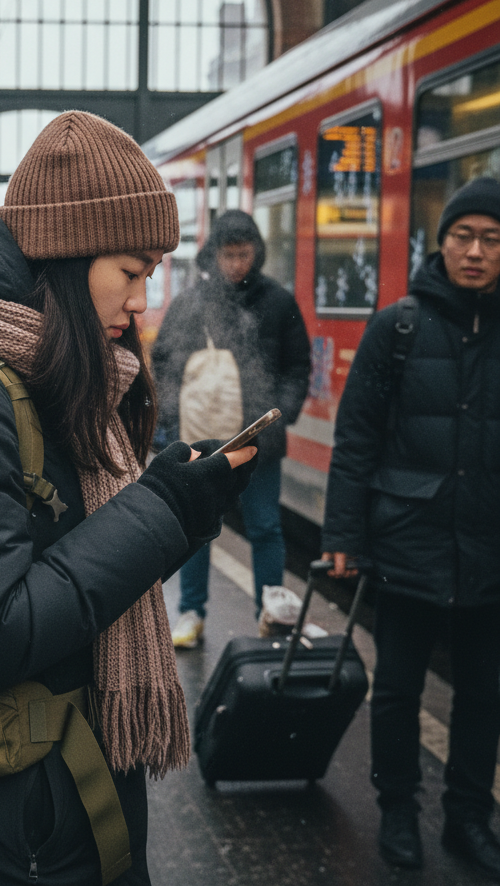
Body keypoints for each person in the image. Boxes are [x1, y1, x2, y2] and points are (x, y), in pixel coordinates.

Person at [0, 111, 257, 885]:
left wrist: (180, 499)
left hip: (41, 797)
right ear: (68, 259)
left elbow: (65, 565)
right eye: (131, 272)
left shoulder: (37, 372)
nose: (143, 301)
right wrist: (164, 511)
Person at [322, 176, 500, 877]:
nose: (477, 251)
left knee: (484, 693)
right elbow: (356, 438)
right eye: (464, 236)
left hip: (488, 546)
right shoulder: (398, 326)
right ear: (443, 242)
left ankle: (466, 820)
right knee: (396, 687)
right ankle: (398, 809)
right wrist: (342, 535)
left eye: (492, 239)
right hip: (408, 540)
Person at [151, 210, 311, 647]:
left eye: (245, 254)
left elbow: (297, 367)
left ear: (256, 252)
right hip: (202, 439)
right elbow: (164, 361)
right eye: (229, 255)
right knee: (199, 528)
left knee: (264, 527)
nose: (237, 264)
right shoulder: (191, 303)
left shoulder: (278, 302)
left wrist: (282, 415)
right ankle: (192, 612)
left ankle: (270, 613)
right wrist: (167, 422)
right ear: (213, 255)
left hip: (261, 440)